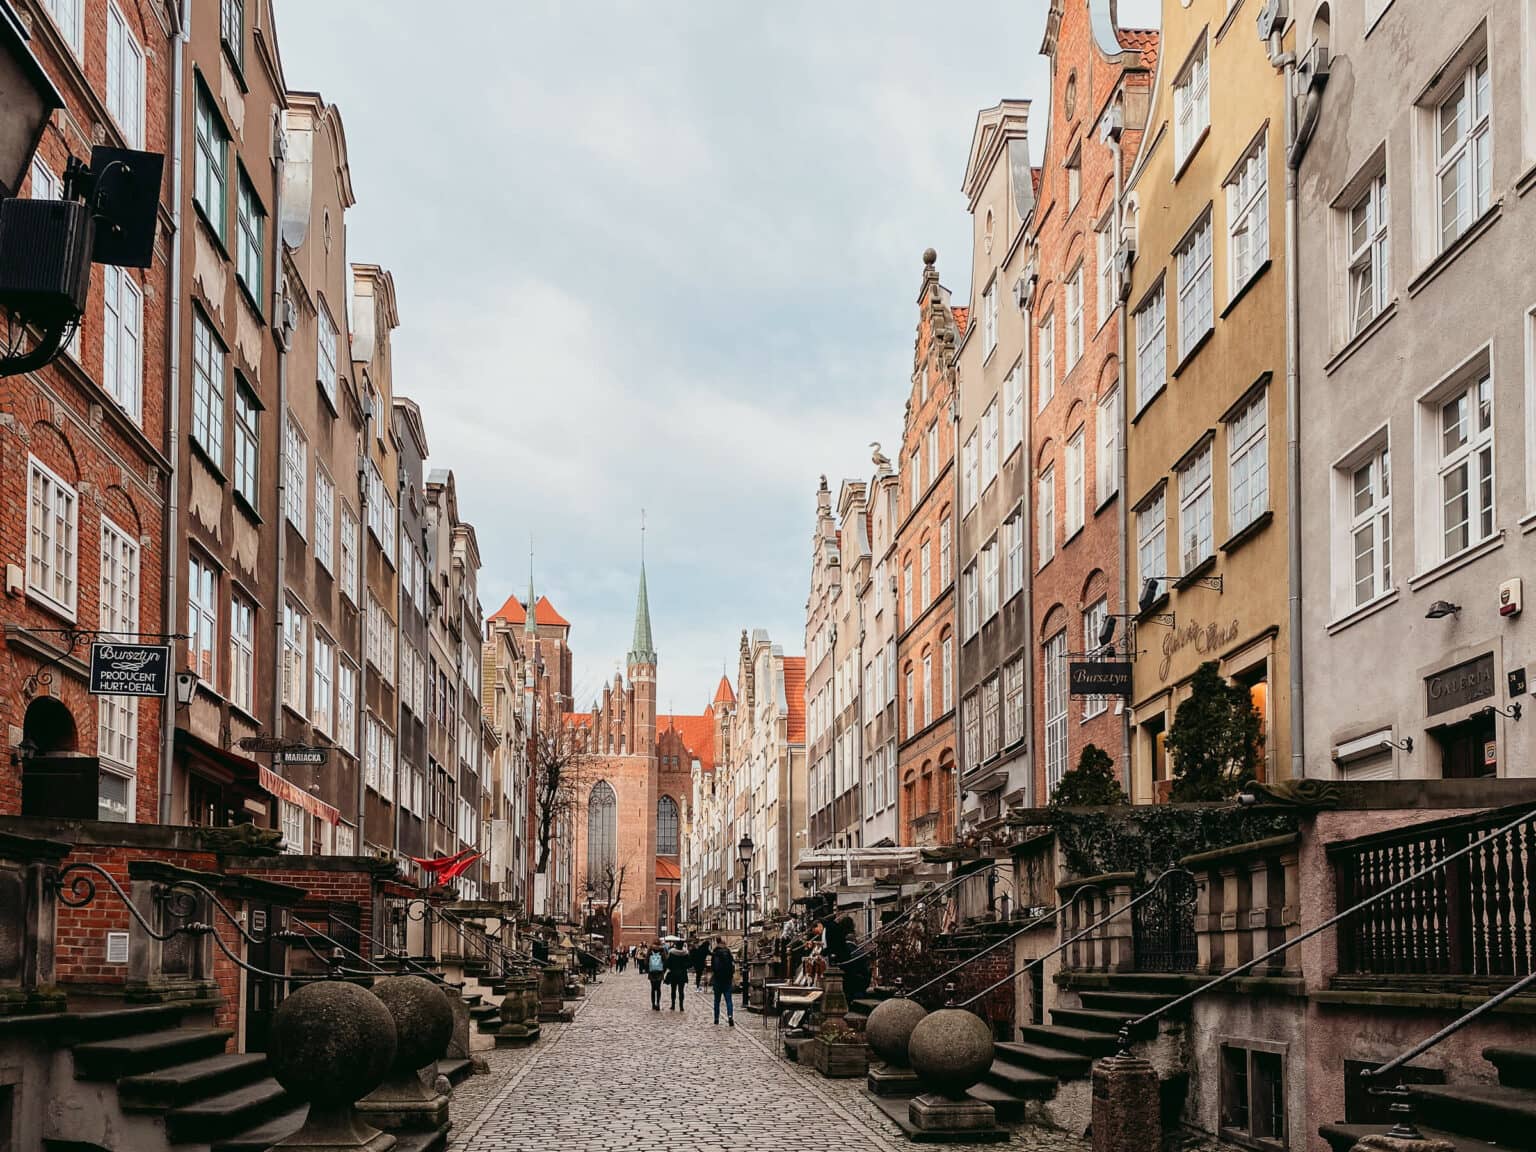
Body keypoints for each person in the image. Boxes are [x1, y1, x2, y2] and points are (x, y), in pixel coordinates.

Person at [710, 936, 736, 1026]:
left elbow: (713, 967)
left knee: (717, 1000)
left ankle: (716, 1018)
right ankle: (730, 1016)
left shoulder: (715, 953)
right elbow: (733, 966)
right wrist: (731, 975)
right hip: (727, 980)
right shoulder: (728, 952)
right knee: (728, 1000)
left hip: (717, 979)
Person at [664, 939, 690, 1011]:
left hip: (673, 974)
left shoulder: (672, 953)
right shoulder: (685, 953)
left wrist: (670, 968)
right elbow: (689, 964)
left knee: (673, 990)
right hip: (682, 974)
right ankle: (681, 1006)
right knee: (681, 991)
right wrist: (684, 966)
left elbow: (667, 963)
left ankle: (673, 1005)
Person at [646, 940, 665, 1009]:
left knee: (653, 989)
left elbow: (646, 961)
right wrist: (663, 970)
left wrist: (648, 970)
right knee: (658, 988)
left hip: (652, 972)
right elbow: (665, 961)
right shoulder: (662, 950)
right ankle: (658, 1003)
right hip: (660, 972)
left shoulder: (650, 950)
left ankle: (653, 1004)